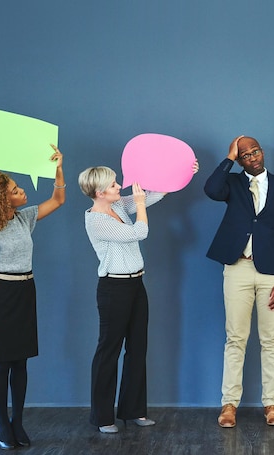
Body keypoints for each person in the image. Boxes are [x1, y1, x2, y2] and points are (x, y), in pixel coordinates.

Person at [78, 161, 197, 434]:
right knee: (108, 351)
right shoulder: (96, 220)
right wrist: (141, 204)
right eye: (113, 185)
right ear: (99, 193)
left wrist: (182, 171)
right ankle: (103, 416)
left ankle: (133, 411)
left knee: (137, 347)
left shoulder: (117, 205)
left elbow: (156, 194)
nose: (119, 186)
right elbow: (139, 232)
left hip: (135, 284)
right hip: (113, 288)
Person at [0, 144, 65, 450]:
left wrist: (58, 167)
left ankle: (18, 422)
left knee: (21, 362)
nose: (22, 190)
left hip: (26, 291)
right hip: (2, 295)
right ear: (3, 197)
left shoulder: (24, 218)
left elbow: (58, 199)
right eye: (15, 189)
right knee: (2, 363)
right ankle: (2, 421)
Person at [205, 135, 274, 428]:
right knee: (235, 338)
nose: (252, 158)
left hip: (272, 273)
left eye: (255, 152)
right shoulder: (232, 184)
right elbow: (210, 189)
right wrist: (229, 157)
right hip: (237, 269)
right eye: (245, 155)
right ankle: (229, 404)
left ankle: (272, 403)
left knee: (271, 339)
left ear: (263, 152)